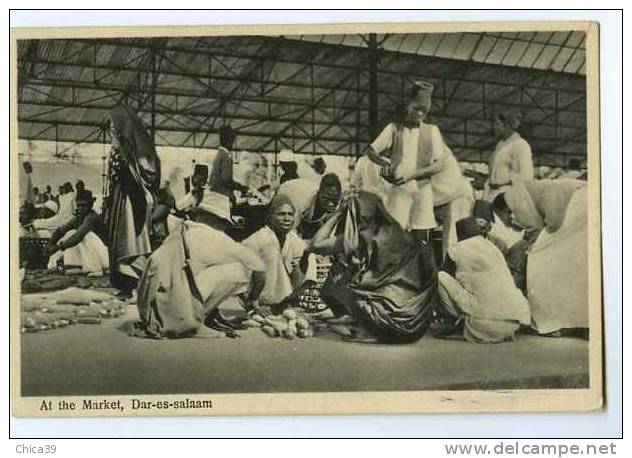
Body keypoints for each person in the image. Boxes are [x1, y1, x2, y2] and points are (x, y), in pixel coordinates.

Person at [136, 190, 267, 339]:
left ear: (198, 215)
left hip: (151, 306)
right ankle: (197, 320)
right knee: (240, 270)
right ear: (220, 220)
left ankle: (206, 315)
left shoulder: (182, 228)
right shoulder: (216, 237)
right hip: (176, 310)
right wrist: (253, 300)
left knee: (202, 269)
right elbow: (259, 268)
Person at [311, 190, 436, 343]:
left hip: (389, 323)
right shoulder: (401, 234)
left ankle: (365, 329)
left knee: (339, 274)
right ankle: (364, 322)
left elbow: (315, 245)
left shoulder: (360, 237)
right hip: (415, 326)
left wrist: (338, 212)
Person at [385, 82, 474, 255]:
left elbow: (422, 174)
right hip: (440, 195)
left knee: (453, 242)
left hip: (457, 193)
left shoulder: (428, 141)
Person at [492, 179, 587, 335]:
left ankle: (550, 321)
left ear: (508, 210)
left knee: (540, 260)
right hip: (581, 207)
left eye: (508, 217)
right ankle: (565, 320)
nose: (511, 222)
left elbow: (554, 223)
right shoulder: (531, 193)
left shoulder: (547, 192)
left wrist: (534, 241)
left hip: (579, 206)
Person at [436, 217, 531, 343]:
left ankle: (455, 322)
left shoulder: (457, 248)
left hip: (483, 325)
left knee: (439, 277)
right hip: (512, 325)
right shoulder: (493, 248)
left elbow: (446, 273)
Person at [104, 104, 161, 297]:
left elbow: (142, 172)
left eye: (113, 122)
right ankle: (126, 284)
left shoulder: (127, 146)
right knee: (121, 240)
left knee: (128, 240)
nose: (110, 126)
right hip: (121, 197)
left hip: (129, 198)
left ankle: (137, 281)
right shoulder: (121, 144)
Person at [242, 194, 309, 308]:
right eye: (281, 214)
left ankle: (289, 301)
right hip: (254, 296)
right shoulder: (259, 238)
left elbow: (300, 271)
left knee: (307, 253)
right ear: (270, 217)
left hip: (282, 299)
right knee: (270, 250)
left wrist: (306, 255)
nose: (287, 218)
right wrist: (253, 300)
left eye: (290, 214)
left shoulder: (293, 239)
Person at [45, 189, 109, 276]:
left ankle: (94, 268)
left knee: (85, 235)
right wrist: (50, 245)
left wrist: (57, 247)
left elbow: (78, 236)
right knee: (70, 233)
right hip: (91, 255)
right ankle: (74, 266)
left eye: (84, 206)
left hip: (104, 256)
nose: (80, 208)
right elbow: (59, 231)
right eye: (79, 206)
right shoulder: (78, 218)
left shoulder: (92, 217)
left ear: (91, 204)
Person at [484, 112, 534, 202]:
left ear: (507, 125)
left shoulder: (521, 144)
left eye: (498, 124)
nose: (495, 127)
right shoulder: (499, 146)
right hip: (492, 194)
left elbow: (527, 174)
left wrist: (508, 182)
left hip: (508, 195)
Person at [209, 124, 249, 201]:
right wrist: (239, 186)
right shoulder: (226, 155)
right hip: (221, 193)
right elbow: (226, 179)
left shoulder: (220, 154)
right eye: (232, 141)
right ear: (229, 141)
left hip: (214, 191)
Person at [296, 173, 342, 240]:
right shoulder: (305, 204)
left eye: (335, 200)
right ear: (318, 193)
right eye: (326, 199)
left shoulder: (342, 205)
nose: (331, 204)